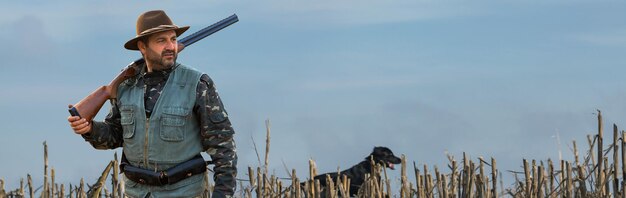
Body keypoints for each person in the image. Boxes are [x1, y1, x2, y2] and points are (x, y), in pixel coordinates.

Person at [67, 10, 237, 198]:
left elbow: (224, 147)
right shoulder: (125, 86)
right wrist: (89, 129)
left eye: (173, 39)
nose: (170, 46)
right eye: (161, 41)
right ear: (142, 47)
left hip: (185, 192)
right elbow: (115, 135)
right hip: (136, 193)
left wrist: (222, 194)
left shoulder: (197, 84)